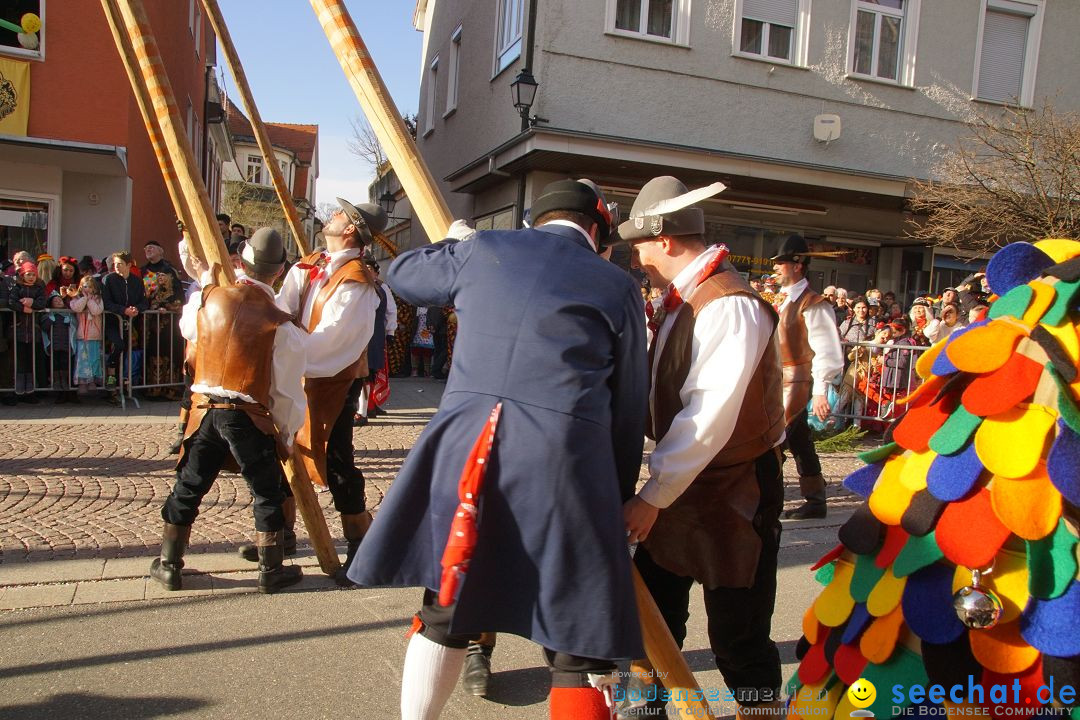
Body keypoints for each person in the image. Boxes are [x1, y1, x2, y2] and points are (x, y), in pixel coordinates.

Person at [348, 179, 647, 719]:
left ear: (534, 219)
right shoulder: (617, 283)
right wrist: (617, 497)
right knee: (576, 641)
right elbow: (628, 404)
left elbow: (402, 272)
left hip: (468, 445)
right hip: (566, 462)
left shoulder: (485, 249)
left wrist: (459, 247)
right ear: (598, 229)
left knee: (447, 609)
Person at [618, 177, 785, 719]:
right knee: (654, 623)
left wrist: (652, 495)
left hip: (736, 492)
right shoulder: (687, 299)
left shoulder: (728, 304)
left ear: (664, 239)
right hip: (689, 486)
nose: (637, 256)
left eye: (640, 244)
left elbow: (707, 418)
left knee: (739, 640)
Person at [150, 228, 307, 593]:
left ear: (243, 261)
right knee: (266, 490)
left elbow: (189, 327)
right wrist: (284, 432)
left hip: (204, 410)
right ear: (279, 271)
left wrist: (206, 282)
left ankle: (170, 563)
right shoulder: (281, 323)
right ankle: (271, 571)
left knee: (189, 485)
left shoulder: (209, 298)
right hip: (248, 415)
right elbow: (286, 393)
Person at [272, 198, 381, 581]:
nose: (330, 217)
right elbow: (284, 307)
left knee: (335, 461)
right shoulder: (313, 264)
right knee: (283, 448)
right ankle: (282, 535)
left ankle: (360, 543)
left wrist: (286, 354)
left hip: (333, 380)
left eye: (337, 214)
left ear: (349, 228)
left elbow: (335, 341)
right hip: (298, 371)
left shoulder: (357, 281)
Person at [772, 235, 844, 520]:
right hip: (779, 378)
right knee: (799, 438)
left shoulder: (814, 303)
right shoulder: (784, 300)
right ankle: (815, 500)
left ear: (798, 266)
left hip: (798, 380)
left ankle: (769, 500)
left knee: (776, 440)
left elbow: (826, 348)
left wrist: (820, 390)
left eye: (781, 263)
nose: (776, 268)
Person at [101, 252, 149, 402]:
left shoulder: (136, 281)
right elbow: (107, 303)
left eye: (120, 263)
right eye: (115, 264)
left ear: (129, 265)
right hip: (113, 322)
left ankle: (123, 386)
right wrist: (123, 310)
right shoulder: (108, 279)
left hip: (129, 323)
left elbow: (144, 301)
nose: (116, 266)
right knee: (117, 346)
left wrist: (136, 309)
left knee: (127, 351)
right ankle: (111, 382)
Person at [7, 261, 47, 402]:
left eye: (33, 274)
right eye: (28, 274)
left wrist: (31, 302)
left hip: (33, 331)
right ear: (22, 275)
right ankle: (19, 390)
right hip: (19, 329)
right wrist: (25, 309)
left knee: (31, 360)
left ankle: (30, 391)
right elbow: (11, 302)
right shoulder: (17, 287)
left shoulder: (39, 288)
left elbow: (42, 303)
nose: (31, 277)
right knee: (19, 360)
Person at [69, 275, 105, 396]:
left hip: (94, 335)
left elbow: (96, 311)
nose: (87, 288)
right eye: (85, 286)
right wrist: (84, 298)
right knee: (82, 360)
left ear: (94, 288)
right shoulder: (77, 298)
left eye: (90, 286)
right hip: (81, 336)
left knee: (94, 359)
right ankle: (82, 383)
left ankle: (93, 381)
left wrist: (90, 300)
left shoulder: (98, 299)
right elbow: (76, 308)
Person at [40, 292, 76, 403]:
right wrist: (51, 319)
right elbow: (44, 328)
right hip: (54, 346)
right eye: (55, 301)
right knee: (55, 365)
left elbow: (75, 327)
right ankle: (58, 386)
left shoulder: (69, 315)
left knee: (66, 365)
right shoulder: (48, 315)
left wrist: (70, 322)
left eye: (60, 300)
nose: (58, 302)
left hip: (66, 346)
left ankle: (68, 391)